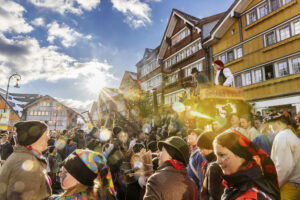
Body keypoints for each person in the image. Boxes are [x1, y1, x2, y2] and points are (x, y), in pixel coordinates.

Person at [213, 131, 280, 200]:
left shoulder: (249, 195)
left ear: (240, 155)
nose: (217, 162)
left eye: (222, 155)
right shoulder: (238, 185)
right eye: (216, 156)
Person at [0, 121, 51, 200]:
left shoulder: (23, 156)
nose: (49, 137)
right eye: (46, 134)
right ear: (35, 137)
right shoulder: (28, 164)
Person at [266, 112, 300, 199]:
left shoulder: (282, 136)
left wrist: (274, 185)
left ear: (278, 123)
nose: (269, 128)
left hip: (289, 186)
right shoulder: (290, 134)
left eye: (270, 125)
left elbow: (284, 167)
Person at [197, 131, 224, 200]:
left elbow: (214, 194)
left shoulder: (214, 167)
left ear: (210, 147)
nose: (200, 152)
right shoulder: (208, 163)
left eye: (202, 149)